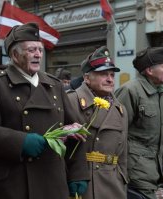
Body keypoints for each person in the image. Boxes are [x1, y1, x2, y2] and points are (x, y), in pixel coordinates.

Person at [0, 22, 89, 199]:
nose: (38, 55)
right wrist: (21, 142)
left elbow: (75, 131)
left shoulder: (54, 85)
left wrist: (78, 173)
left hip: (53, 181)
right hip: (15, 182)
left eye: (40, 50)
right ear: (14, 54)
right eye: (31, 50)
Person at [115, 47, 163, 199]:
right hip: (134, 171)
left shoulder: (161, 92)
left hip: (153, 170)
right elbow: (116, 131)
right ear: (149, 70)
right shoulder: (130, 91)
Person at [67, 46, 128, 199]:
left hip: (113, 183)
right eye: (103, 74)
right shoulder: (71, 101)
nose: (110, 79)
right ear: (87, 78)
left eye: (112, 75)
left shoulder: (120, 109)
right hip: (82, 182)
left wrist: (123, 179)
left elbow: (123, 154)